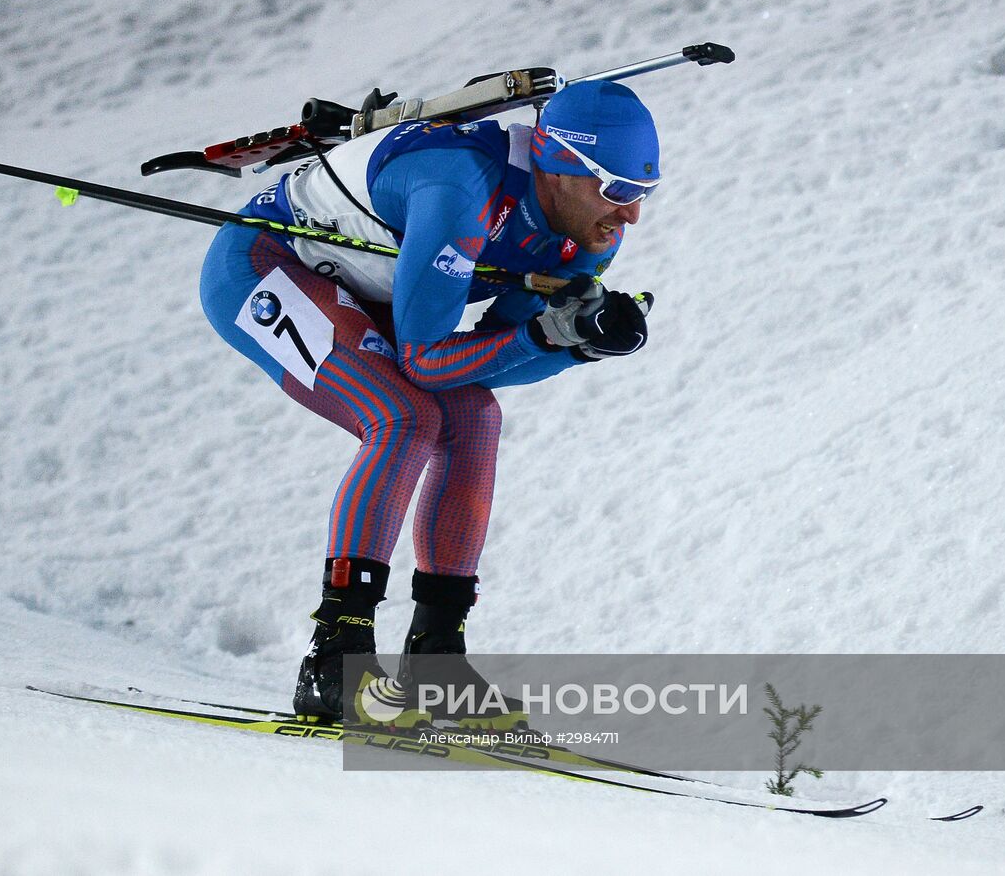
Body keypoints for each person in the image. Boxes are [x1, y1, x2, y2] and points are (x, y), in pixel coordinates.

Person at [198, 79, 660, 727]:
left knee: (475, 419)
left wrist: (571, 345)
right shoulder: (458, 188)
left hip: (373, 291)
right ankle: (335, 656)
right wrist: (546, 336)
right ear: (560, 165)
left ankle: (436, 661)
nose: (631, 214)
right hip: (267, 263)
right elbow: (426, 362)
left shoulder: (592, 235)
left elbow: (487, 363)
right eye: (618, 190)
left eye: (643, 193)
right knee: (402, 416)